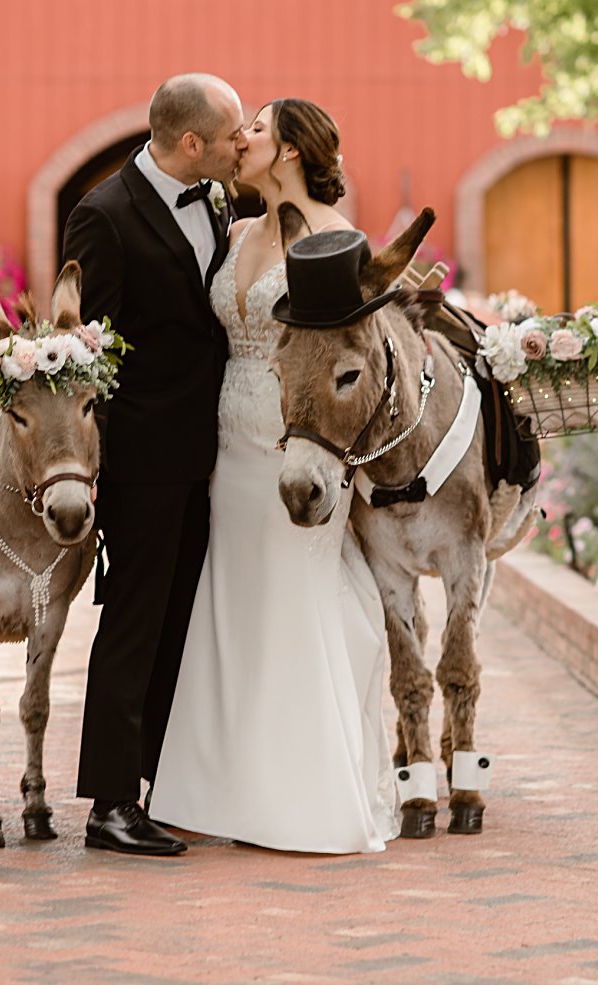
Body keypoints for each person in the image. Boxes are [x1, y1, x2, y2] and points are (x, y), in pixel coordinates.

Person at [148, 98, 400, 854]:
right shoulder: (233, 232)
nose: (240, 139)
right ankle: (223, 787)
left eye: (255, 128)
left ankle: (303, 794)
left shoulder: (333, 238)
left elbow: (352, 353)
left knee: (293, 595)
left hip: (298, 441)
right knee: (233, 600)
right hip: (226, 438)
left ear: (289, 150)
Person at [63, 73, 244, 856]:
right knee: (134, 625)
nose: (242, 144)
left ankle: (161, 784)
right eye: (232, 134)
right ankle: (110, 803)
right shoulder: (103, 215)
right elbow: (88, 358)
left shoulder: (218, 199)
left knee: (180, 624)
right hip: (143, 460)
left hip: (215, 452)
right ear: (192, 142)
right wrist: (97, 470)